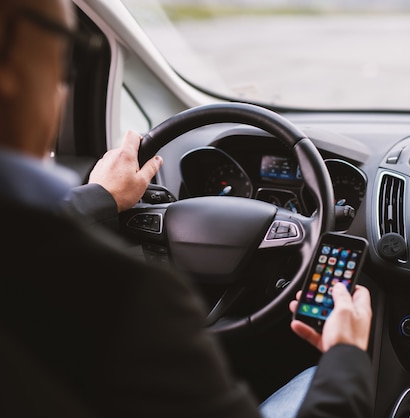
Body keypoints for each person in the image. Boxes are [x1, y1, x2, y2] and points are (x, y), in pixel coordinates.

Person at [0, 1, 375, 418]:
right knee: (317, 376)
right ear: (13, 56)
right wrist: (347, 355)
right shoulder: (131, 300)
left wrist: (101, 196)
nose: (64, 82)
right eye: (71, 51)